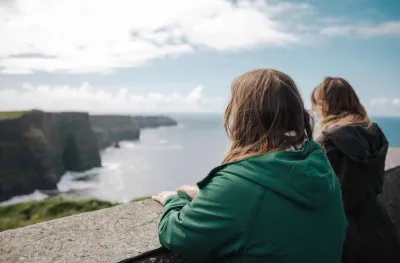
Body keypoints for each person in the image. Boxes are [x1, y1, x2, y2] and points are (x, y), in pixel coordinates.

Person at [152, 69, 347, 263]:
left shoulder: (239, 183)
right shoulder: (321, 168)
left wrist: (175, 200)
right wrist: (210, 199)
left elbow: (176, 234)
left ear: (245, 117)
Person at [311, 77, 400, 263]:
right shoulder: (376, 136)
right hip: (380, 228)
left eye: (316, 105)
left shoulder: (326, 143)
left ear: (325, 105)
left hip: (341, 236)